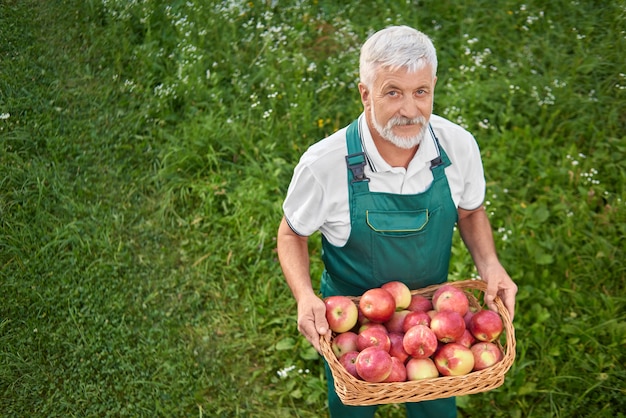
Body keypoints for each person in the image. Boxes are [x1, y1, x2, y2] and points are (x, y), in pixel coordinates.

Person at [276, 25, 517, 417]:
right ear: (365, 93)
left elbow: (470, 212)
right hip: (350, 323)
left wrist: (491, 265)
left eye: (420, 92)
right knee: (351, 407)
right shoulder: (324, 164)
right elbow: (291, 234)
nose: (409, 110)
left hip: (436, 319)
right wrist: (305, 297)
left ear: (434, 86)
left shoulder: (458, 146)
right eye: (392, 92)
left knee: (435, 408)